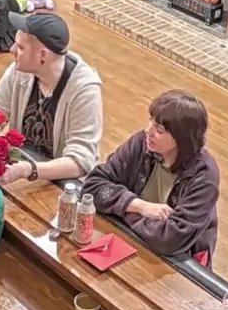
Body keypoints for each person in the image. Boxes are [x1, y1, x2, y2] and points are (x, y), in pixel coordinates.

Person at [81, 91, 219, 263]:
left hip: (178, 263)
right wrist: (140, 206)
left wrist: (121, 211)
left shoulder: (205, 176)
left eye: (159, 130)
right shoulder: (141, 143)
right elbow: (92, 187)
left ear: (181, 139)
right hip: (130, 242)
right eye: (150, 121)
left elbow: (170, 240)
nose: (149, 131)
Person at [0, 12, 103, 182]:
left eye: (20, 47)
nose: (12, 50)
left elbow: (80, 162)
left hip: (63, 181)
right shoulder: (19, 70)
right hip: (21, 168)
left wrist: (28, 170)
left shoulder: (85, 90)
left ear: (42, 55)